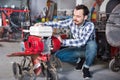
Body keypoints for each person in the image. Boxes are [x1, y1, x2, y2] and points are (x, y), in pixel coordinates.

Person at [35, 4, 97, 79]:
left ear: (85, 17)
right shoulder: (72, 21)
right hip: (77, 48)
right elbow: (58, 24)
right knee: (58, 55)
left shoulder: (90, 25)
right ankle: (80, 59)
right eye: (74, 15)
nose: (75, 18)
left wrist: (63, 41)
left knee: (92, 45)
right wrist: (43, 24)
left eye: (78, 16)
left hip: (87, 49)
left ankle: (86, 68)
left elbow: (82, 41)